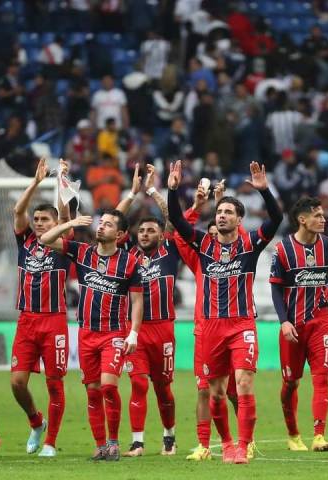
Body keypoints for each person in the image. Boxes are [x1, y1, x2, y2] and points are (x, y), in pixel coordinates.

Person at [167, 161, 283, 464]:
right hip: (210, 328)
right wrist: (173, 190)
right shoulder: (203, 243)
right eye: (219, 212)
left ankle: (244, 446)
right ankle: (227, 443)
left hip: (241, 324)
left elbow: (277, 218)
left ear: (239, 219)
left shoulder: (250, 243)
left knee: (243, 382)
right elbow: (177, 221)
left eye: (229, 212)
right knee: (216, 392)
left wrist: (264, 191)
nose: (222, 215)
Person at [40, 210, 143, 461]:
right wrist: (70, 223)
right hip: (86, 332)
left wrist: (133, 333)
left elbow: (137, 300)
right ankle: (100, 445)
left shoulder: (129, 262)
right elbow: (45, 239)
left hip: (113, 333)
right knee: (93, 391)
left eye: (108, 225)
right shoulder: (82, 252)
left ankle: (114, 442)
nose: (101, 227)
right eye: (100, 222)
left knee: (108, 386)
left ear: (119, 234)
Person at [176, 179, 249, 461]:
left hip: (235, 325)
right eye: (211, 234)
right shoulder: (199, 258)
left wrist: (222, 201)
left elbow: (243, 240)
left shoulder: (239, 249)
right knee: (205, 389)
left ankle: (245, 441)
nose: (216, 238)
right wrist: (196, 207)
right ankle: (204, 445)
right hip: (205, 330)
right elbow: (180, 235)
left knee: (237, 389)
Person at [270, 197, 328, 452]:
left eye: (323, 215)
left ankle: (319, 436)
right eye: (317, 216)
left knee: (322, 378)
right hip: (293, 325)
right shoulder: (283, 249)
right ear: (302, 220)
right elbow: (276, 290)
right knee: (290, 383)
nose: (323, 219)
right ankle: (293, 435)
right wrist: (284, 322)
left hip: (320, 321)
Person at [115, 165, 179, 457]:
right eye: (141, 230)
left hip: (163, 328)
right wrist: (132, 194)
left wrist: (153, 190)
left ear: (161, 235)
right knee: (138, 383)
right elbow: (115, 221)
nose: (144, 234)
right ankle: (138, 443)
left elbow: (172, 217)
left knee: (163, 388)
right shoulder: (128, 254)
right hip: (135, 330)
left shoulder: (170, 251)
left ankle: (169, 437)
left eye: (151, 230)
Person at [11, 159, 72, 458]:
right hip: (26, 321)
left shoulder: (62, 244)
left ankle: (51, 441)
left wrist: (61, 180)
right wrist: (36, 182)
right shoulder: (24, 241)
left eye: (45, 220)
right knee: (17, 383)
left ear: (55, 223)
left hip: (53, 321)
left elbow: (65, 214)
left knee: (54, 383)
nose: (38, 223)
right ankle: (36, 421)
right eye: (36, 219)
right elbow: (17, 211)